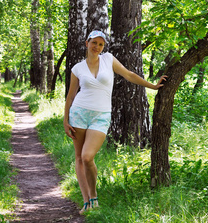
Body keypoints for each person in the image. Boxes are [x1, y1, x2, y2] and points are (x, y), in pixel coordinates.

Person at [63, 30, 167, 214]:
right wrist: (65, 120)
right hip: (78, 114)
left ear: (104, 47)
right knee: (79, 158)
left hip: (101, 116)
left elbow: (129, 74)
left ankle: (93, 194)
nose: (97, 47)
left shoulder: (108, 60)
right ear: (87, 43)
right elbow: (71, 96)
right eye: (94, 42)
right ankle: (87, 201)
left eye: (100, 44)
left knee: (88, 157)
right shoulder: (77, 68)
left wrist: (153, 86)